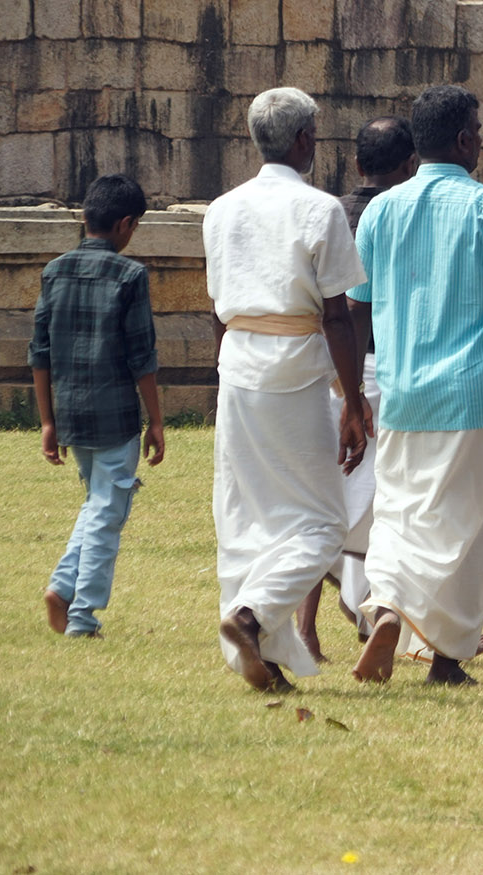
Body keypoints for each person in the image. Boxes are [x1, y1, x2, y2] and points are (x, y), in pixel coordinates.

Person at [346, 84, 483, 687]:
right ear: (462, 140)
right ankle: (442, 654)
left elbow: (355, 308)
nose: (481, 140)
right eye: (477, 131)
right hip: (477, 397)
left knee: (398, 512)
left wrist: (352, 396)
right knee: (468, 530)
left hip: (401, 391)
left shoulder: (380, 212)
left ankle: (389, 608)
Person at [202, 87, 369, 690]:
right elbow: (337, 317)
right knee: (323, 522)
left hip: (238, 367)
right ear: (302, 141)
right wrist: (353, 401)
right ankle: (251, 617)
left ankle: (264, 656)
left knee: (247, 513)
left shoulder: (221, 210)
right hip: (295, 369)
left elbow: (216, 310)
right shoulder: (318, 209)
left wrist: (230, 372)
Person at [31, 174, 161, 641]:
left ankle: (63, 589)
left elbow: (39, 353)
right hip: (116, 415)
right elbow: (141, 356)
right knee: (107, 514)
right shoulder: (130, 275)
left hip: (70, 412)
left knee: (98, 504)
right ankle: (82, 616)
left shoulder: (54, 271)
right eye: (135, 226)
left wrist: (48, 421)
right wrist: (156, 421)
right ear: (125, 224)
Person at [307, 114, 418, 659]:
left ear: (355, 164)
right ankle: (369, 609)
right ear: (411, 165)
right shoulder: (405, 216)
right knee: (380, 500)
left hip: (323, 365)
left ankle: (313, 626)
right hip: (382, 366)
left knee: (324, 494)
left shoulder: (329, 213)